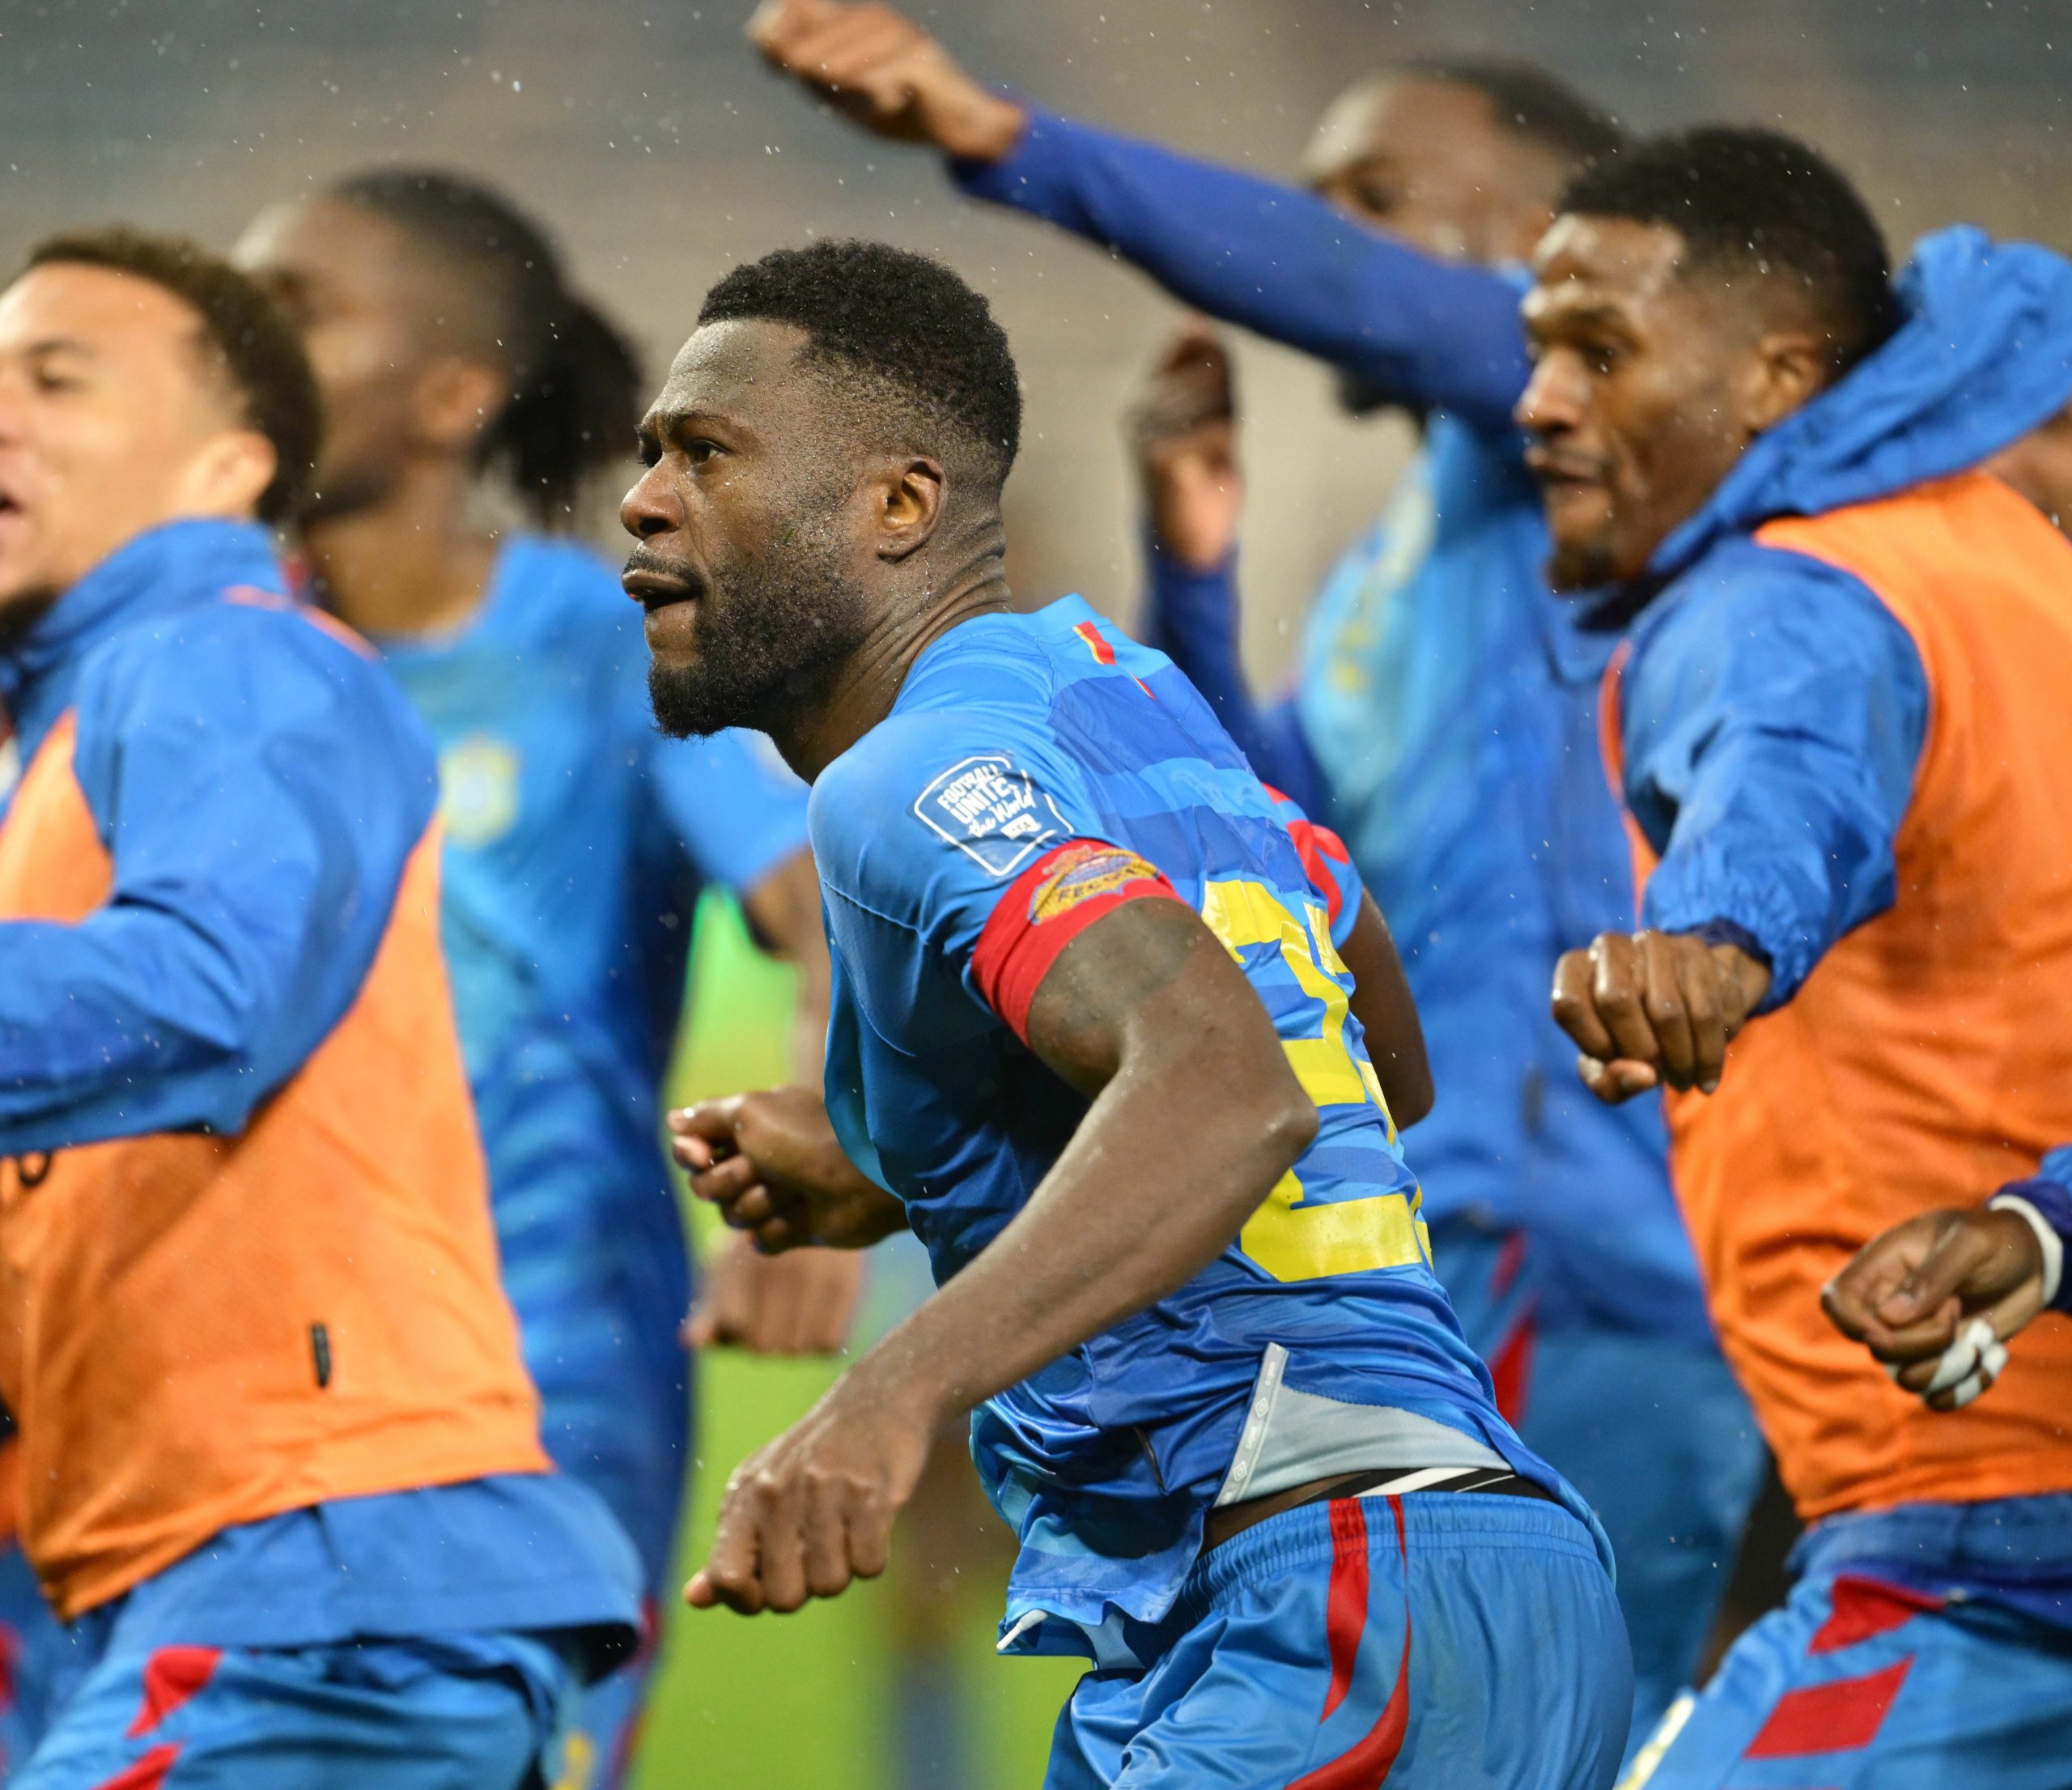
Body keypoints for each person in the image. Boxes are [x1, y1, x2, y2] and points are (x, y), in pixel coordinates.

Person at [743, 0, 1764, 1746]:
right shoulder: (1388, 577)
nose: (1314, 242)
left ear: (1556, 249)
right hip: (1420, 1241)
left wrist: (1005, 139)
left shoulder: (1615, 487)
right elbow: (1262, 851)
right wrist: (1193, 576)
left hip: (1616, 1257)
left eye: (1367, 195)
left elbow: (1375, 300)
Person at [628, 236, 1629, 1788]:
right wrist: (904, 1165)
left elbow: (1233, 1090)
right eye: (648, 455)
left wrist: (885, 1401)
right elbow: (1373, 1057)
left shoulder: (904, 786)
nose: (643, 500)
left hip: (1328, 1594)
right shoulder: (1129, 697)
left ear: (900, 506)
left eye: (705, 453)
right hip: (1419, 1578)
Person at [231, 170, 854, 1790]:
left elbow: (840, 906)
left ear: (452, 393)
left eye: (297, 304)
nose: (245, 338)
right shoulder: (199, 661)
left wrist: (822, 1126)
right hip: (225, 1377)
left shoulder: (601, 645)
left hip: (535, 1387)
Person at [0, 228, 640, 1788]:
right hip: (231, 1597)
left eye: (53, 377)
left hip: (318, 1586)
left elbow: (218, 986)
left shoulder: (226, 660)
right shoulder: (69, 743)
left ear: (229, 465)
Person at [1524, 129, 2072, 1785]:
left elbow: (1787, 777)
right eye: (1538, 349)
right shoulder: (2000, 560)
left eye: (1597, 351)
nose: (1537, 400)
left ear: (1774, 380)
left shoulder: (1792, 595)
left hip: (1982, 1538)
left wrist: (1712, 934)